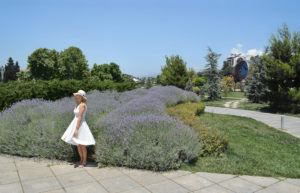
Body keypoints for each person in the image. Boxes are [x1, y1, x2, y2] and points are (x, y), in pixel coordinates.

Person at [61, 90, 95, 167]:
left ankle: (84, 161)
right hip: (75, 124)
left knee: (82, 145)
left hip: (80, 125)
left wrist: (76, 129)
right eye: (76, 96)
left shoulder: (82, 105)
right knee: (78, 145)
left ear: (82, 97)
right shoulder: (78, 105)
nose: (76, 97)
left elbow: (80, 117)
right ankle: (81, 160)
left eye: (78, 96)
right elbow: (76, 117)